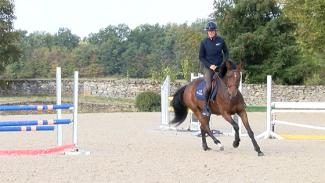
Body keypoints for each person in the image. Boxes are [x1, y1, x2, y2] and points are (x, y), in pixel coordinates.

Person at [199, 21, 229, 117]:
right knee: (208, 87)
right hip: (209, 68)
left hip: (220, 66)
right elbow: (201, 57)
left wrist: (224, 63)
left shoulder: (221, 40)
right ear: (207, 32)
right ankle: (205, 106)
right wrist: (210, 65)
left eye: (212, 30)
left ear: (215, 31)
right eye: (209, 31)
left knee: (230, 80)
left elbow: (226, 52)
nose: (210, 32)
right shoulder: (204, 42)